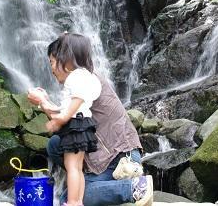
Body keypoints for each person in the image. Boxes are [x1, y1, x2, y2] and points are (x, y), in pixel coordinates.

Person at [28, 33, 151, 206]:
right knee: (55, 144)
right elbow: (66, 120)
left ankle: (134, 187)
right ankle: (85, 179)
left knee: (68, 198)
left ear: (66, 59)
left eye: (52, 63)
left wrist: (43, 102)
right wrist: (44, 102)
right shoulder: (82, 80)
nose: (52, 70)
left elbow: (64, 118)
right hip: (101, 157)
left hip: (120, 158)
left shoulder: (84, 80)